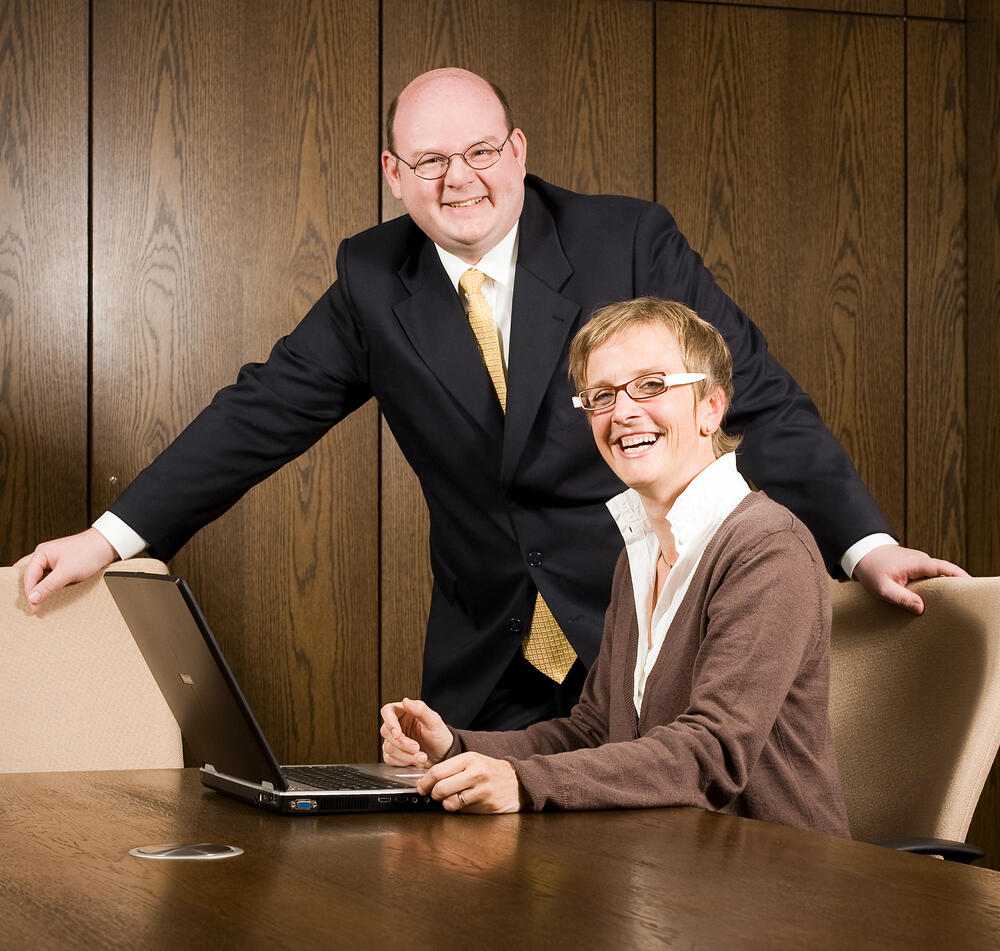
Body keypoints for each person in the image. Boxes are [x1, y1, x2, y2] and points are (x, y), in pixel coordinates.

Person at [18, 68, 963, 732]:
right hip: (488, 659)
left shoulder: (626, 241)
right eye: (429, 160)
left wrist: (864, 544)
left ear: (517, 150)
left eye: (479, 150)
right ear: (394, 174)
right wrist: (108, 538)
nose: (458, 179)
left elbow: (756, 398)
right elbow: (260, 413)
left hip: (642, 637)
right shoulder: (372, 277)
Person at [380, 298, 850, 835]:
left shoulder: (767, 548)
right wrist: (454, 747)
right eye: (602, 396)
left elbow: (713, 752)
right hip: (662, 862)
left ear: (710, 408)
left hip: (777, 872)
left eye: (651, 385)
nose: (622, 412)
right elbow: (593, 732)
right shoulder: (639, 553)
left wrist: (524, 782)